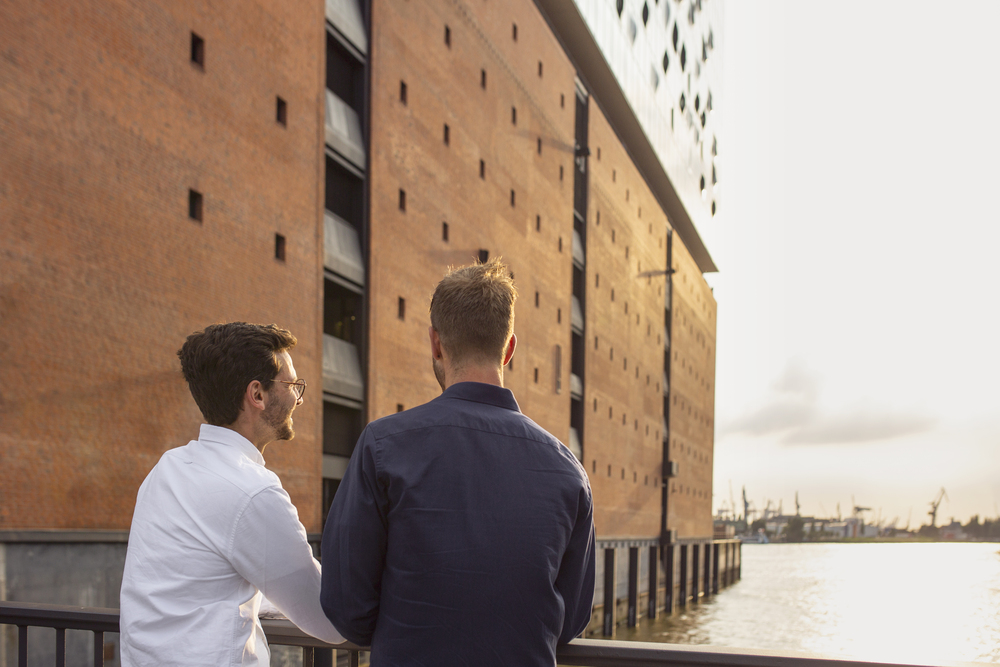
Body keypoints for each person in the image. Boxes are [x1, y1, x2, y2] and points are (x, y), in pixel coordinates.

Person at [320, 259, 596, 666]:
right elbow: (569, 619)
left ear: (435, 343)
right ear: (510, 349)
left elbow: (347, 606)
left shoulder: (383, 446)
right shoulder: (568, 471)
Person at [120, 322, 344, 666]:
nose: (299, 397)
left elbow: (194, 583)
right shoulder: (253, 491)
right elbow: (330, 618)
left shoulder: (166, 469)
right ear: (257, 395)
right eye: (292, 384)